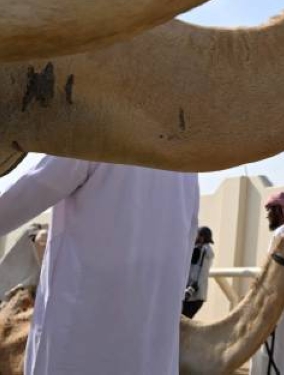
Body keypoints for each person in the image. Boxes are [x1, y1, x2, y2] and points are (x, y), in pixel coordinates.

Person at [0, 156, 198, 374]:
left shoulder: (95, 138)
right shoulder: (186, 166)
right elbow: (188, 239)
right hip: (150, 351)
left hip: (78, 344)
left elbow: (26, 194)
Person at [250, 191, 284, 375]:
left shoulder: (281, 233)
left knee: (271, 349)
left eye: (270, 210)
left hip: (277, 301)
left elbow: (273, 273)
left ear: (281, 211)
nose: (267, 215)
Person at [182, 226, 215, 318]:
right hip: (197, 295)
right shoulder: (206, 251)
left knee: (182, 322)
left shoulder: (202, 250)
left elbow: (195, 272)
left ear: (202, 237)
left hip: (192, 295)